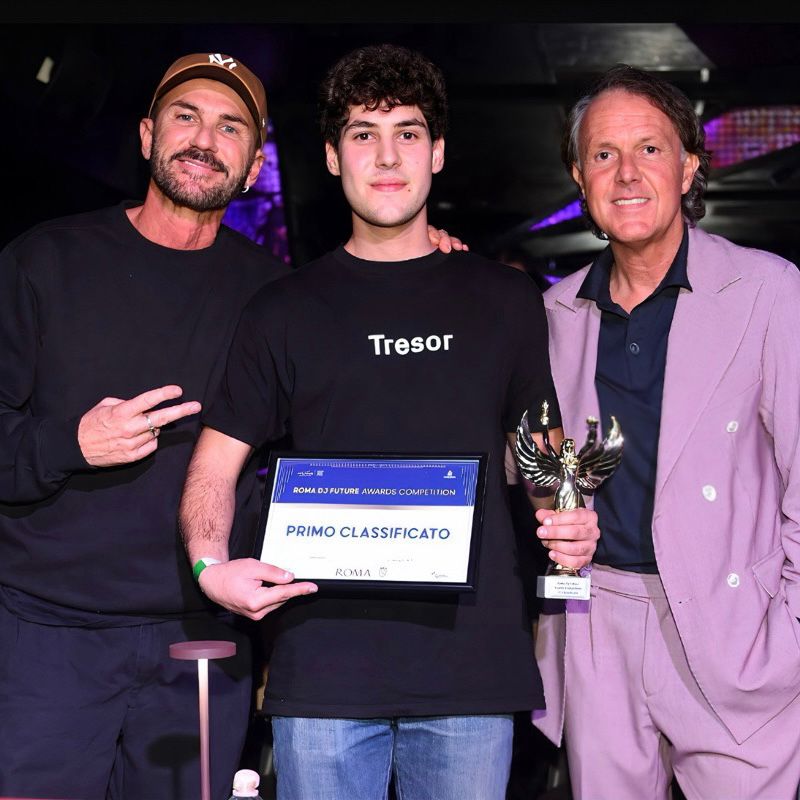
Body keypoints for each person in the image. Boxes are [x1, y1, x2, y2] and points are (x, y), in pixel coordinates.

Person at [178, 42, 599, 800]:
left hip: (470, 670)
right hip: (323, 671)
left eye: (407, 132)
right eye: (362, 134)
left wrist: (565, 514)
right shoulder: (283, 309)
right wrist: (212, 568)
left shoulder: (504, 300)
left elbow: (544, 451)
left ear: (436, 153)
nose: (386, 156)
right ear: (332, 157)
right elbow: (214, 461)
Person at [0, 50, 321, 800]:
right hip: (47, 635)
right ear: (147, 135)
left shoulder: (277, 298)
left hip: (204, 637)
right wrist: (70, 444)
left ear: (254, 165)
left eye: (231, 127)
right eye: (186, 117)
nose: (204, 139)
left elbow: (313, 452)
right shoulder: (44, 262)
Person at [532, 63, 800, 799]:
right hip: (596, 623)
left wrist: (789, 635)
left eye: (649, 149)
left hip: (739, 627)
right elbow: (532, 465)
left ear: (688, 167)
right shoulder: (553, 314)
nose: (626, 173)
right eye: (603, 153)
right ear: (579, 177)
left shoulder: (770, 291)